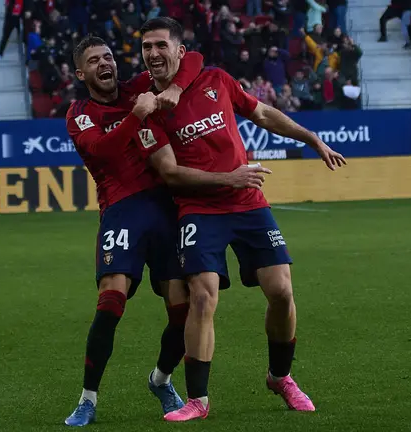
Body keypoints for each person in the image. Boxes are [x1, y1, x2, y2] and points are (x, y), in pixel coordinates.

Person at [133, 17, 347, 422]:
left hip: (248, 202)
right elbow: (171, 173)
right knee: (203, 295)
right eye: (147, 47)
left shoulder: (215, 79)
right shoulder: (146, 110)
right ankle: (198, 400)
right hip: (199, 209)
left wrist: (312, 138)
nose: (154, 53)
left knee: (281, 290)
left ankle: (280, 377)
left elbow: (262, 112)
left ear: (180, 51)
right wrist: (228, 177)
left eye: (161, 45)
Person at [62, 36, 269, 427]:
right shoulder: (79, 113)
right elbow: (103, 151)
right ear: (81, 74)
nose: (104, 64)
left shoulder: (138, 88)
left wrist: (173, 90)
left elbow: (194, 57)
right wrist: (136, 116)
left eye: (108, 56)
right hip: (122, 212)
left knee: (182, 308)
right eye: (93, 61)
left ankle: (161, 378)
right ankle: (88, 399)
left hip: (165, 208)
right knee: (111, 302)